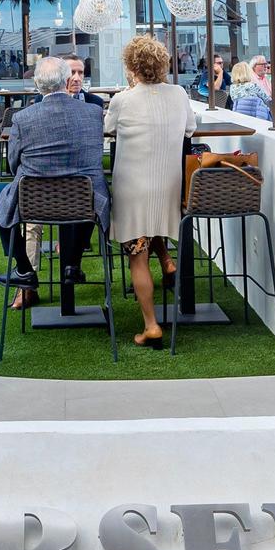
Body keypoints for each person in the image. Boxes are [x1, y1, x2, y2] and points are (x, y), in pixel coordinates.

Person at [0, 56, 108, 311]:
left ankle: (23, 268)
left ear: (37, 85)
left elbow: (13, 163)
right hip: (83, 202)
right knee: (92, 188)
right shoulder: (94, 113)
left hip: (36, 203)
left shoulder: (23, 118)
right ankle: (72, 264)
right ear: (66, 81)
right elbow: (95, 155)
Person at [104, 36, 199, 348]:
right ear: (163, 65)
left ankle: (151, 325)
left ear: (132, 67)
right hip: (170, 188)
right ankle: (168, 264)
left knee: (137, 256)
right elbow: (190, 129)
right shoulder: (179, 94)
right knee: (153, 232)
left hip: (133, 190)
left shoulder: (123, 100)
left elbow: (109, 129)